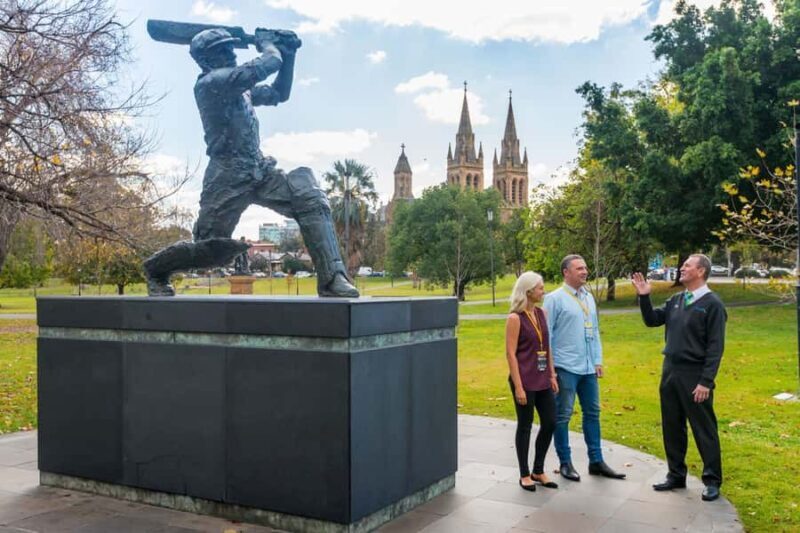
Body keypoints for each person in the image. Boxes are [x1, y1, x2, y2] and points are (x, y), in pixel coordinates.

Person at [143, 27, 358, 298]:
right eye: (223, 50)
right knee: (211, 252)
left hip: (258, 169)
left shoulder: (240, 89)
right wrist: (268, 43)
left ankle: (333, 277)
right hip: (227, 177)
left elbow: (280, 93)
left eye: (231, 47)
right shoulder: (211, 84)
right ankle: (155, 269)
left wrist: (288, 54)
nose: (231, 53)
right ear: (206, 60)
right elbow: (267, 64)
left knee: (310, 197)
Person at [631, 254, 726, 502]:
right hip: (670, 371)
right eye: (683, 265)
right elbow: (652, 320)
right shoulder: (676, 300)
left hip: (695, 374)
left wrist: (706, 381)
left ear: (701, 271)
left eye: (687, 265)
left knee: (703, 428)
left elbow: (715, 348)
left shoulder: (712, 304)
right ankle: (676, 475)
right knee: (672, 425)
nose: (681, 268)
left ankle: (712, 480)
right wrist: (644, 296)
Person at [543, 254, 625, 482]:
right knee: (563, 415)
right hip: (565, 367)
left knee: (593, 413)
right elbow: (546, 337)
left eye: (585, 268)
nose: (584, 271)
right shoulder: (554, 299)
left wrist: (597, 360)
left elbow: (595, 330)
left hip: (588, 368)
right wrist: (550, 371)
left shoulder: (589, 297)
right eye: (579, 268)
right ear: (565, 272)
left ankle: (596, 461)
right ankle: (565, 462)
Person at [505, 272, 559, 491]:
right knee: (525, 426)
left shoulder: (542, 313)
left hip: (543, 377)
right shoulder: (514, 318)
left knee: (550, 422)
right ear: (528, 291)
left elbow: (547, 348)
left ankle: (539, 470)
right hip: (524, 379)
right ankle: (524, 474)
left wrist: (553, 375)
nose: (543, 291)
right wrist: (518, 386)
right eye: (540, 288)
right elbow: (510, 354)